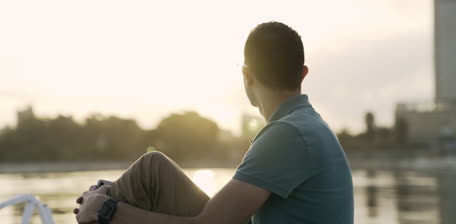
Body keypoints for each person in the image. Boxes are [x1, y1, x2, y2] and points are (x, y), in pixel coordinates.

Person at [74, 21, 354, 224]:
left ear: (246, 75)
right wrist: (112, 198)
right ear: (303, 74)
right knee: (153, 170)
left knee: (134, 182)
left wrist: (107, 210)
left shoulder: (288, 134)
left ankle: (97, 206)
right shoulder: (308, 127)